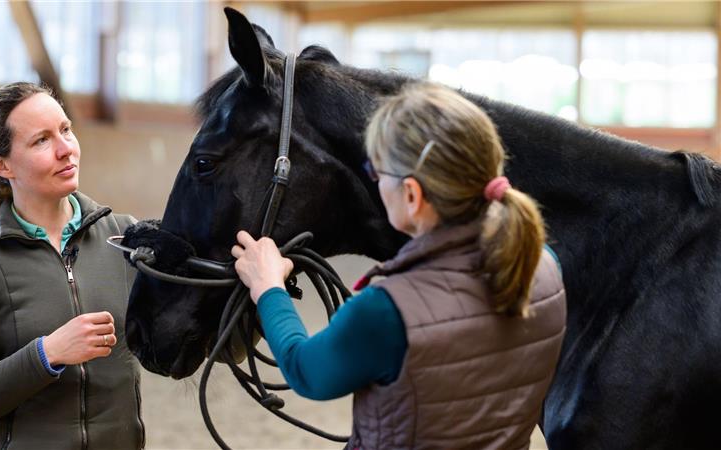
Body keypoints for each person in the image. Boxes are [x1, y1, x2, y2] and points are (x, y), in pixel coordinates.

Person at [231, 82, 567, 449]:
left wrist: (268, 287)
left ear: (412, 195)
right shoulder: (542, 265)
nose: (375, 182)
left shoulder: (388, 308)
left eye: (376, 173)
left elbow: (307, 371)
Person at [0, 82, 144, 449]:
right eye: (42, 141)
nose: (66, 150)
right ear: (2, 164)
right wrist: (47, 353)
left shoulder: (124, 238)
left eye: (66, 130)